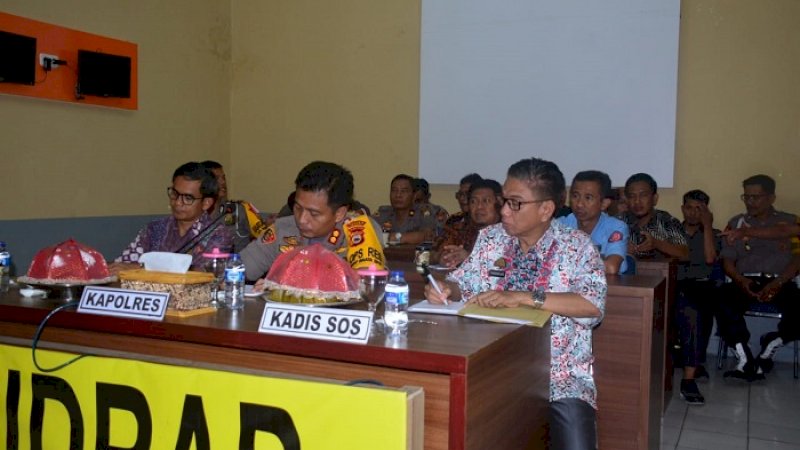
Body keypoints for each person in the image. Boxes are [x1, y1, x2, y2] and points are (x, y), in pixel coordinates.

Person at [425, 157, 605, 450]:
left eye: (515, 203)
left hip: (559, 376)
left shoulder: (577, 247)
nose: (504, 211)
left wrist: (524, 297)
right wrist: (446, 288)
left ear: (546, 209)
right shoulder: (490, 239)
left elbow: (591, 307)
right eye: (504, 201)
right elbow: (464, 283)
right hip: (493, 370)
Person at [241, 161, 384, 281]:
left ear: (339, 213)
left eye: (314, 214)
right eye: (298, 208)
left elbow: (367, 282)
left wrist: (287, 285)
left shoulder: (359, 228)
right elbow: (239, 269)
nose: (302, 220)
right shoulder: (283, 228)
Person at [716, 175, 800, 380]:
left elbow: (798, 260)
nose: (750, 202)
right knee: (721, 299)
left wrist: (778, 283)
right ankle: (745, 358)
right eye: (746, 197)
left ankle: (772, 343)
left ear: (771, 197)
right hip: (745, 280)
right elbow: (727, 261)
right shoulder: (735, 223)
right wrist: (740, 280)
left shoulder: (790, 221)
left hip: (780, 281)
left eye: (756, 197)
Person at [116, 162, 233, 269]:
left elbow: (200, 275)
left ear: (206, 203)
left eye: (188, 198)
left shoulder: (218, 235)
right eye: (175, 194)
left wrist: (139, 269)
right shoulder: (154, 228)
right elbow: (124, 263)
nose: (177, 202)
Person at [675, 190, 720, 404]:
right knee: (688, 308)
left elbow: (710, 258)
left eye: (699, 209)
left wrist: (708, 225)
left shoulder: (713, 233)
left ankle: (690, 373)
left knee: (699, 308)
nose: (693, 213)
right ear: (683, 208)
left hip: (702, 286)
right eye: (689, 207)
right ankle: (689, 370)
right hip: (676, 284)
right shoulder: (672, 231)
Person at [558, 170, 629, 274]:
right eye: (575, 196)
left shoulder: (616, 227)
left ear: (604, 204)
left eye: (588, 198)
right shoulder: (561, 225)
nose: (579, 204)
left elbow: (612, 268)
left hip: (609, 288)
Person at [201, 161, 271, 252]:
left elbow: (266, 235)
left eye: (224, 178)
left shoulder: (238, 210)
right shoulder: (194, 214)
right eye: (216, 178)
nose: (222, 182)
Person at [434, 178, 503, 267]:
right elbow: (433, 252)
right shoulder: (460, 228)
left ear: (500, 202)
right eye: (473, 201)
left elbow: (509, 268)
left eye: (486, 201)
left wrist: (470, 258)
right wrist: (443, 257)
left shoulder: (510, 233)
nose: (479, 207)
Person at [622, 173, 689, 260]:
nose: (637, 201)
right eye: (632, 196)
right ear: (627, 200)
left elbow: (685, 253)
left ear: (655, 199)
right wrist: (618, 248)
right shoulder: (617, 222)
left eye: (643, 195)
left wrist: (656, 244)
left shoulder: (667, 221)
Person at [373, 174, 438, 245]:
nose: (398, 195)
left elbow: (428, 235)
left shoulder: (423, 211)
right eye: (394, 190)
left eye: (403, 191)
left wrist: (396, 237)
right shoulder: (383, 212)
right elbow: (365, 230)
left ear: (414, 196)